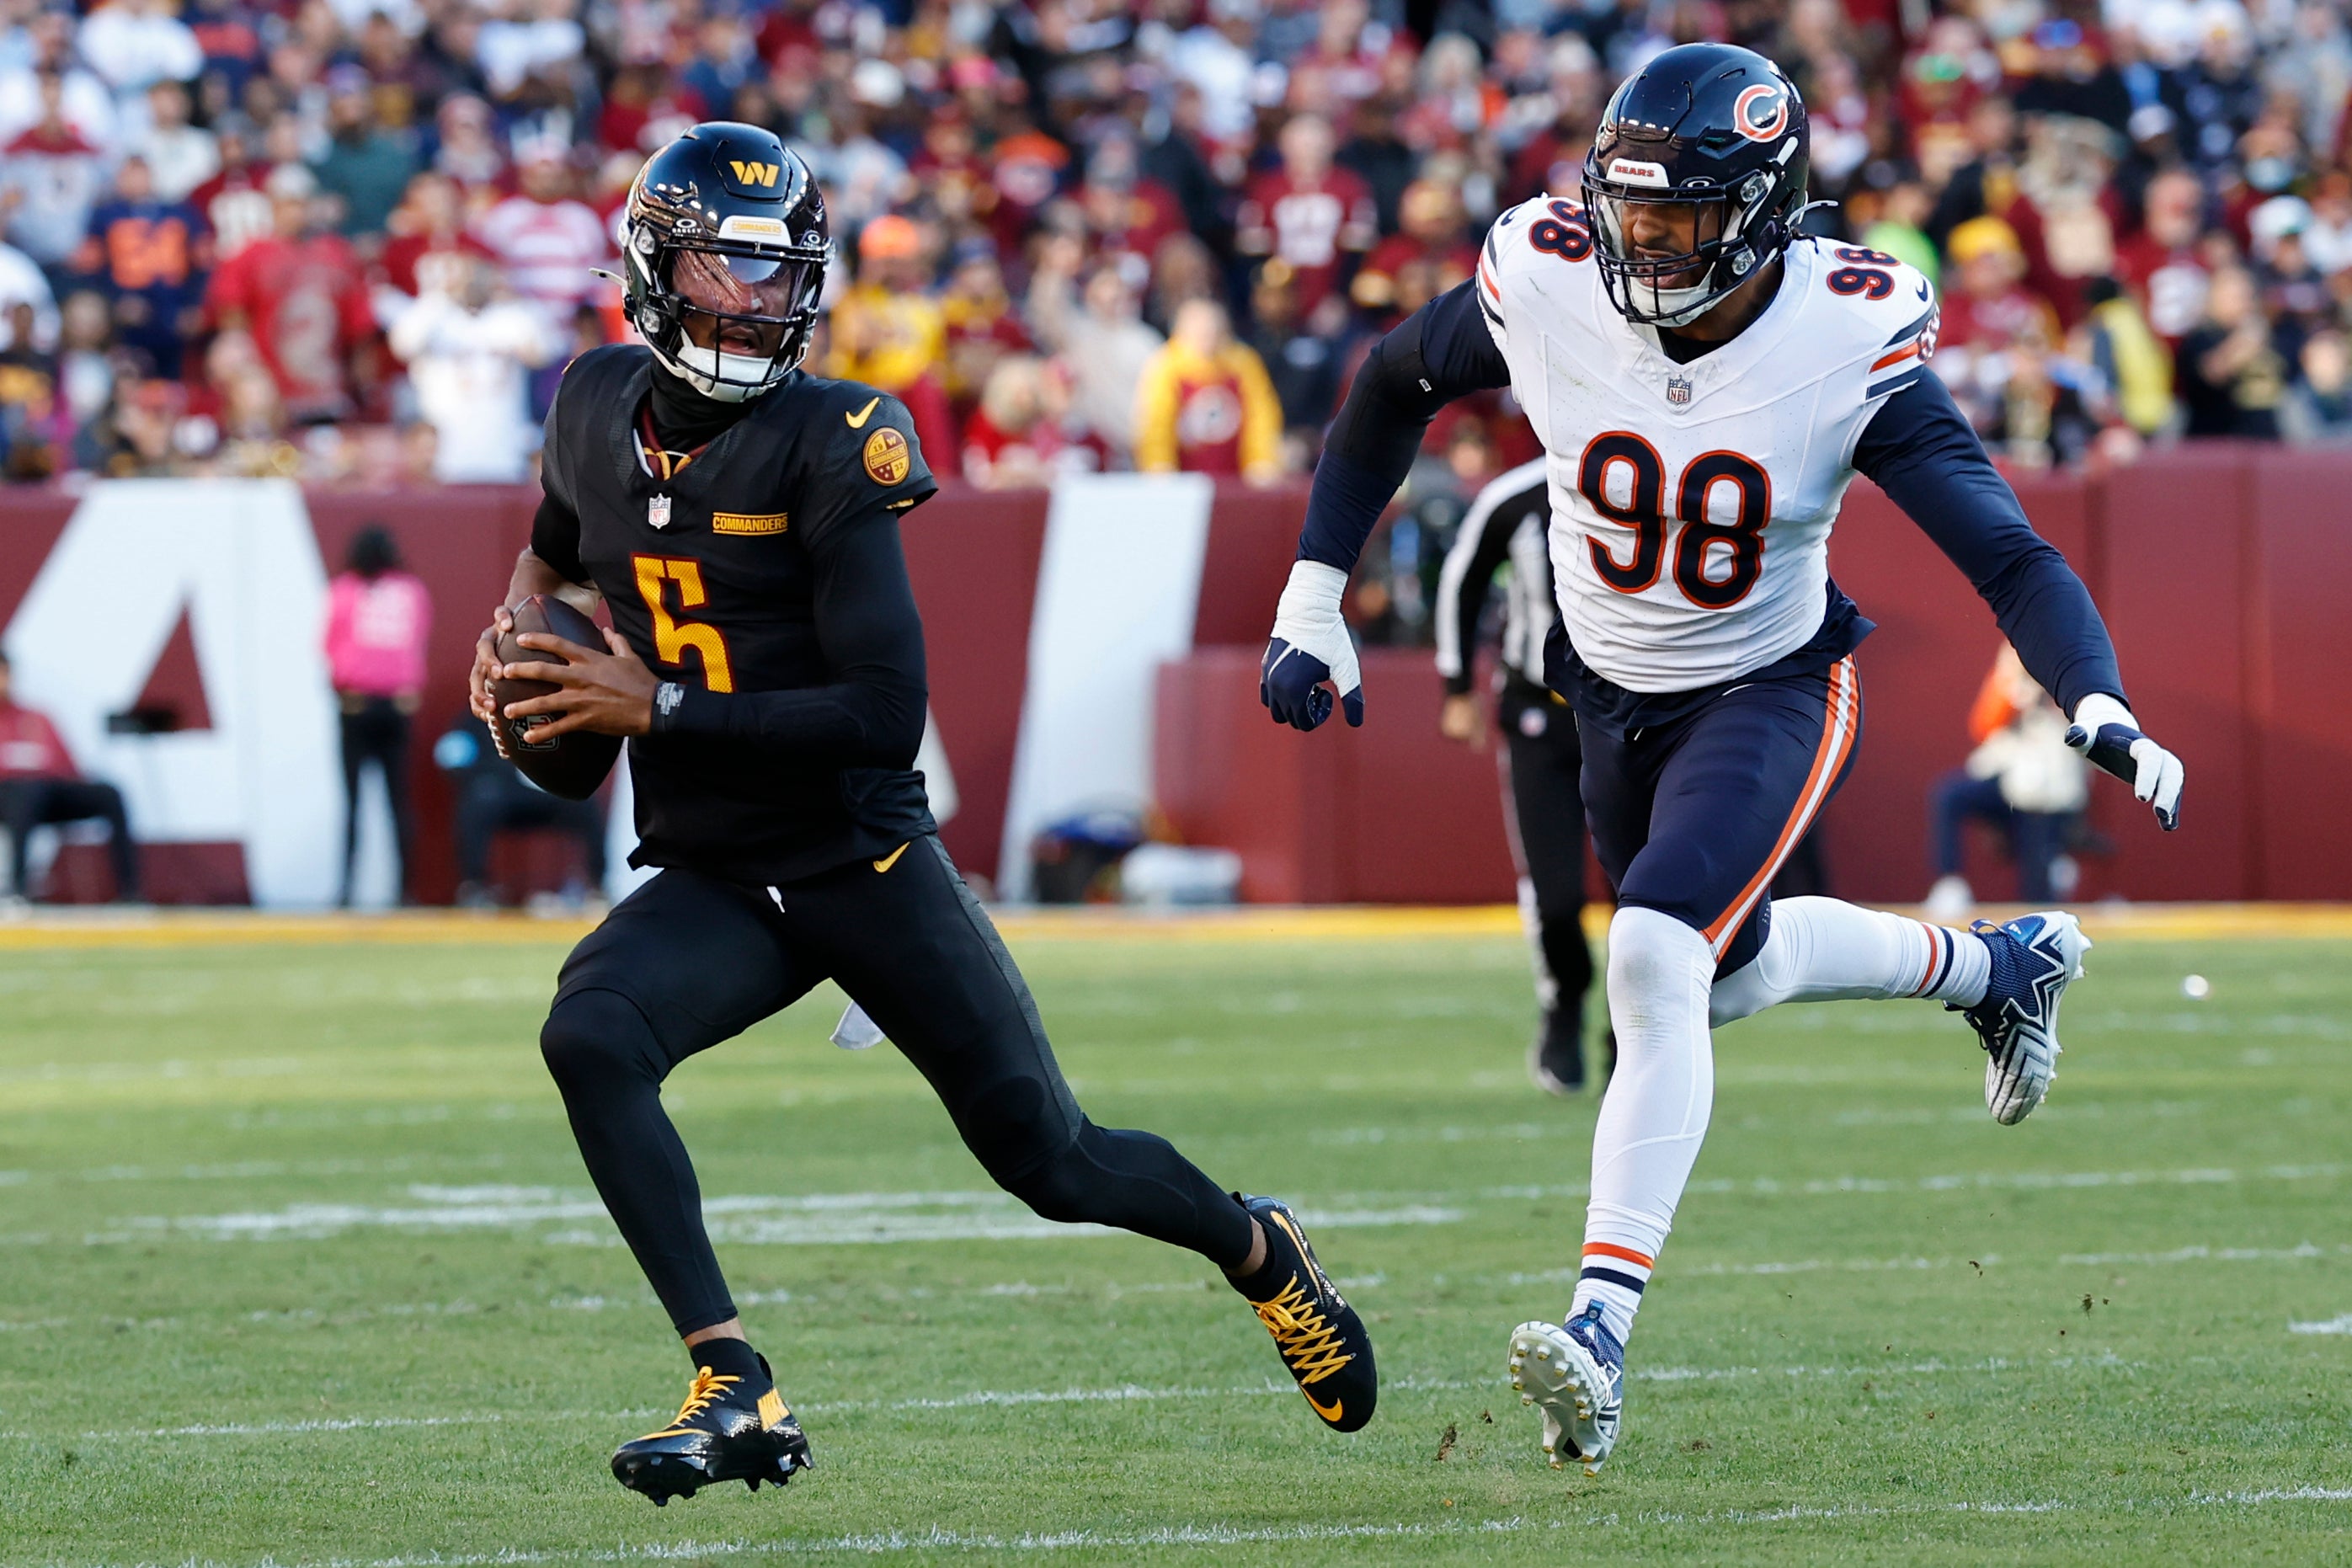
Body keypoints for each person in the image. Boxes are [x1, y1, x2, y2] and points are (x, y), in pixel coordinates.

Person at [1257, 45, 2185, 1478]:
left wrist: (2095, 699)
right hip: (1601, 694)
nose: (1640, 243)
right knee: (1721, 969)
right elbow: (1389, 384)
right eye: (1626, 211)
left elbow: (2004, 549)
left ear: (1759, 210)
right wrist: (1311, 599)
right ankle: (2001, 970)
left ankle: (1600, 1332)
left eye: (1677, 218)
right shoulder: (1549, 276)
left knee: (1646, 957)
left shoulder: (1838, 334)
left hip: (1767, 687)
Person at [467, 124, 1377, 1508]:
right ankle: (731, 1374)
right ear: (655, 275)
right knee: (589, 1028)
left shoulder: (834, 438)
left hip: (860, 852)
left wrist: (655, 710)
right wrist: (521, 640)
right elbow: (551, 543)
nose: (761, 305)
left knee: (1051, 1162)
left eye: (783, 279)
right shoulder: (592, 401)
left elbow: (882, 712)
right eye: (730, 271)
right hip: (721, 868)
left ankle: (1259, 1250)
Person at [1432, 458, 1601, 1095]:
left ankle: (1633, 1031)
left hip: (1635, 713)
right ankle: (1563, 1003)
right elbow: (1462, 579)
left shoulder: (1653, 471)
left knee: (1644, 890)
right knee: (1554, 894)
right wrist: (1455, 685)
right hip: (1539, 709)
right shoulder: (1516, 497)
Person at [1923, 643, 2091, 916]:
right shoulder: (2014, 667)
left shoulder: (2075, 668)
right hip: (2010, 782)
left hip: (2050, 796)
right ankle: (1950, 884)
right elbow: (1985, 725)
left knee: (2038, 895)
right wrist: (2013, 679)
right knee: (1950, 795)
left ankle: (2055, 868)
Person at [323, 525, 430, 907]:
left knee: (352, 803)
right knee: (398, 801)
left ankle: (347, 892)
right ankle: (406, 891)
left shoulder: (344, 590)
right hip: (398, 705)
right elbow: (418, 639)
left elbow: (329, 647)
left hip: (355, 705)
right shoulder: (411, 591)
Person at [0, 649, 140, 904]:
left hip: (48, 793)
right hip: (10, 797)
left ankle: (130, 894)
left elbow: (67, 767)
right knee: (23, 793)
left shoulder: (36, 718)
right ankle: (17, 891)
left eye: (4, 673)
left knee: (109, 793)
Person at [432, 712, 606, 907]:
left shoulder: (553, 713)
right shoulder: (479, 717)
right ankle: (475, 886)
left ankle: (596, 885)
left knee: (585, 803)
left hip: (548, 789)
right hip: (499, 789)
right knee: (479, 802)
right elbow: (452, 752)